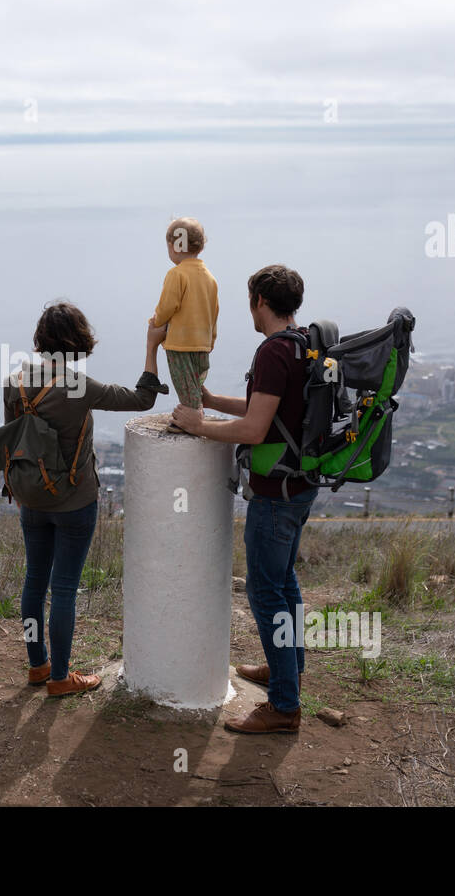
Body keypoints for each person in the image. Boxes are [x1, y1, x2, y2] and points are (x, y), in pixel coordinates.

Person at [172, 265, 315, 733]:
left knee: (266, 592)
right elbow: (268, 411)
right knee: (285, 585)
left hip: (274, 494)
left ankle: (284, 707)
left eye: (248, 299)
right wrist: (212, 400)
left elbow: (255, 429)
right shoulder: (303, 343)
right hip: (301, 484)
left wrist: (199, 427)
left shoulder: (273, 353)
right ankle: (285, 672)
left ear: (258, 300)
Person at [4, 301, 168, 697]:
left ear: (41, 339)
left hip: (31, 499)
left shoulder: (14, 381)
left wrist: (18, 490)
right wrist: (152, 348)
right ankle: (61, 678)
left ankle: (37, 666)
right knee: (63, 589)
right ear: (78, 342)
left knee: (34, 582)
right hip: (75, 501)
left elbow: (13, 440)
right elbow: (143, 399)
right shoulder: (79, 386)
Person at [148, 217, 219, 433]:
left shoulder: (176, 274)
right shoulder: (209, 278)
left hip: (180, 343)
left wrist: (155, 323)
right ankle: (195, 411)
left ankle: (190, 421)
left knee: (183, 383)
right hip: (203, 343)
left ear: (173, 245)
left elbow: (167, 305)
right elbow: (213, 312)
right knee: (194, 384)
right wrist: (211, 340)